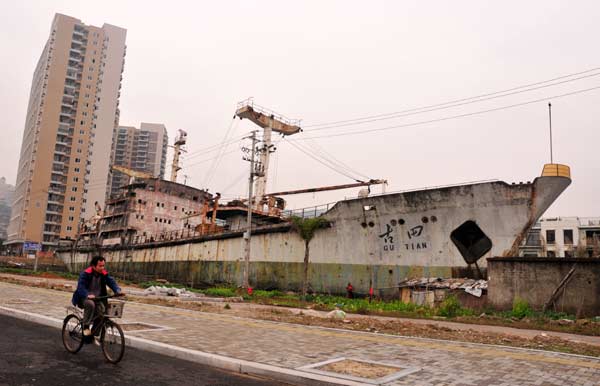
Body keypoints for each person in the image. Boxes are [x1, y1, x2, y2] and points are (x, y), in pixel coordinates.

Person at [71, 256, 124, 336]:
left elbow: (111, 282)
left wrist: (117, 291)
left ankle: (93, 334)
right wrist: (87, 295)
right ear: (93, 266)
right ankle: (86, 326)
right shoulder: (85, 274)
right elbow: (80, 288)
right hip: (84, 298)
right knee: (90, 304)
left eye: (103, 265)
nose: (102, 268)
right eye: (100, 266)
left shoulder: (104, 274)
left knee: (102, 313)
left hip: (98, 298)